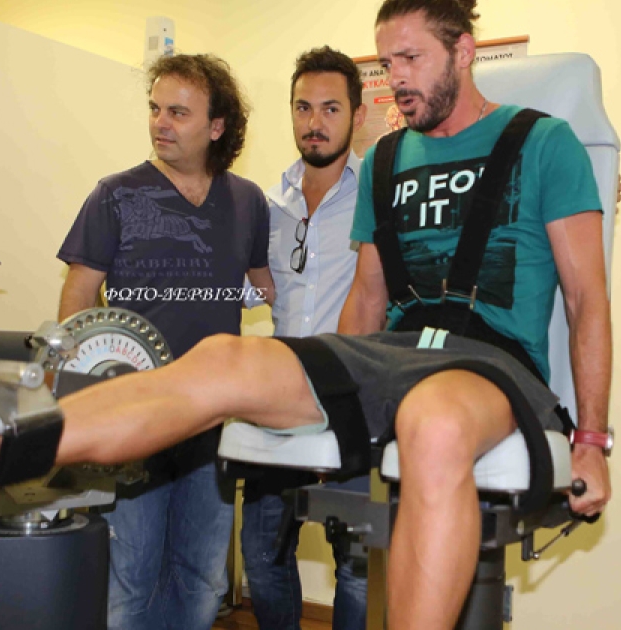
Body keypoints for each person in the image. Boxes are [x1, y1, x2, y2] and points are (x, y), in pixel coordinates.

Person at [0, 2, 612, 629]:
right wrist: (338, 395)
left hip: (488, 357)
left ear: (463, 51)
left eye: (410, 60)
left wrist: (592, 441)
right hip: (390, 353)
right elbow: (369, 298)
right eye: (387, 61)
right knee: (221, 361)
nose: (394, 79)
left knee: (433, 422)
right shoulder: (390, 161)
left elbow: (586, 300)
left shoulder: (542, 143)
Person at [56, 53, 274, 630]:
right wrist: (78, 394)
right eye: (155, 109)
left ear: (217, 126)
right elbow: (78, 295)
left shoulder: (248, 201)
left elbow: (265, 286)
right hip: (136, 413)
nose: (160, 123)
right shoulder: (115, 194)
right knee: (132, 573)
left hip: (213, 415)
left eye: (178, 112)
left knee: (203, 577)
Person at [241, 47, 368, 630]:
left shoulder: (379, 197)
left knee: (357, 565)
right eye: (303, 107)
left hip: (355, 400)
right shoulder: (268, 204)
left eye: (330, 108)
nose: (315, 122)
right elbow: (252, 291)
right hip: (279, 401)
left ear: (357, 116)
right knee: (261, 554)